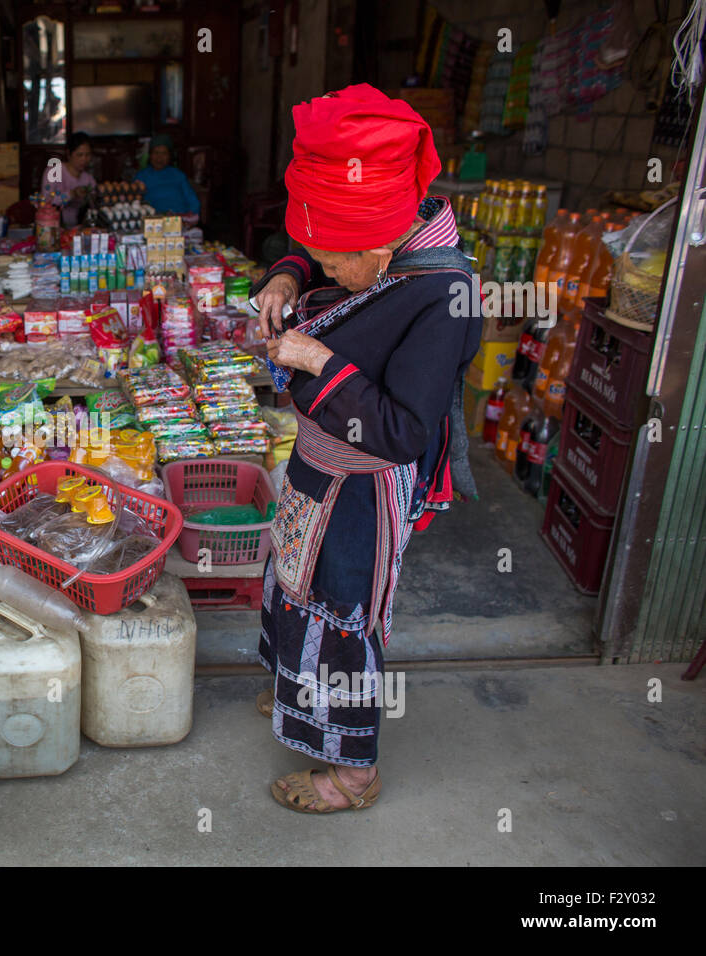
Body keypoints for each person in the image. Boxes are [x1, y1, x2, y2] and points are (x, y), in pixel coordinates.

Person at [249, 84, 479, 813]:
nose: (322, 267)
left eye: (331, 260)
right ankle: (294, 691)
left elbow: (404, 431)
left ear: (380, 249)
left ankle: (353, 774)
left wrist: (318, 362)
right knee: (292, 581)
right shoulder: (376, 247)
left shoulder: (443, 295)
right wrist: (288, 275)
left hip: (363, 485)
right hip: (316, 465)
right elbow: (317, 259)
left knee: (344, 612)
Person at [134, 134, 200, 217]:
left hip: (180, 220)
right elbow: (135, 202)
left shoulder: (178, 175)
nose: (159, 158)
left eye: (164, 153)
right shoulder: (141, 176)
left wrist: (190, 217)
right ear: (150, 155)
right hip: (154, 222)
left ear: (169, 156)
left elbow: (193, 201)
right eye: (156, 153)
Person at [49, 132, 97, 228]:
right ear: (68, 154)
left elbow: (94, 206)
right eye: (79, 155)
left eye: (87, 155)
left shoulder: (88, 179)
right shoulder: (55, 172)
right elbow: (47, 202)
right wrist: (72, 193)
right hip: (54, 228)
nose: (84, 159)